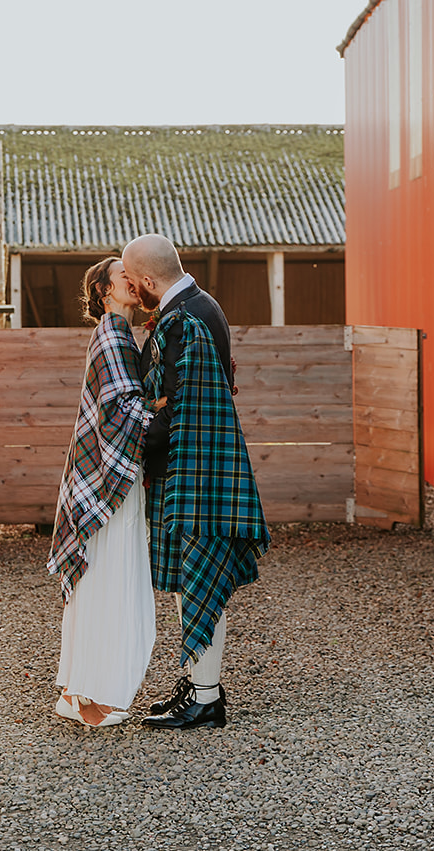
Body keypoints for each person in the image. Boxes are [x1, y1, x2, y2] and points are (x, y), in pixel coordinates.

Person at [121, 233, 269, 730]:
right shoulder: (201, 306)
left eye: (132, 282)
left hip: (196, 468)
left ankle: (205, 697)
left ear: (145, 280)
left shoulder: (184, 319)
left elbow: (183, 405)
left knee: (198, 577)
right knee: (191, 579)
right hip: (196, 464)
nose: (134, 293)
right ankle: (197, 683)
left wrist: (131, 438)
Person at [47, 257, 161, 727]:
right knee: (109, 577)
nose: (132, 282)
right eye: (122, 277)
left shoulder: (123, 336)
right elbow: (118, 414)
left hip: (106, 475)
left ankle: (78, 691)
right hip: (109, 479)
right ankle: (88, 694)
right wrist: (172, 401)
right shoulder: (112, 336)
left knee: (102, 577)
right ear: (104, 291)